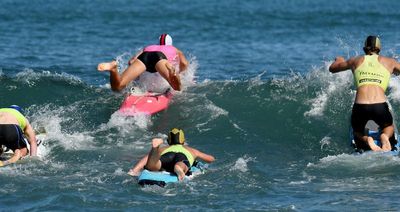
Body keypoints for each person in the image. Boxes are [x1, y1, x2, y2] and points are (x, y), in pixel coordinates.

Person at [329, 36, 400, 151]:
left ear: (364, 49)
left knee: (357, 131)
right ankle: (385, 136)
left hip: (360, 106)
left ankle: (367, 139)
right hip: (380, 106)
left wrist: (339, 59)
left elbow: (332, 68)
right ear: (379, 49)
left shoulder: (355, 61)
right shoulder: (389, 62)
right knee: (388, 127)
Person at [98, 34, 189, 92]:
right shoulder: (175, 49)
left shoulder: (149, 47)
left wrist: (136, 79)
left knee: (117, 87)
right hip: (159, 58)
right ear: (171, 43)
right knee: (177, 87)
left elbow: (131, 61)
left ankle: (113, 69)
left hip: (145, 56)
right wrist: (181, 73)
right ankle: (173, 73)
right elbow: (184, 63)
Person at [128, 128, 215, 181]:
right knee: (181, 163)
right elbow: (210, 159)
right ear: (183, 141)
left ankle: (155, 148)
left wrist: (135, 170)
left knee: (153, 164)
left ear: (169, 141)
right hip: (182, 156)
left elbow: (145, 159)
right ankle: (179, 168)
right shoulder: (190, 150)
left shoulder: (164, 148)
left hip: (167, 156)